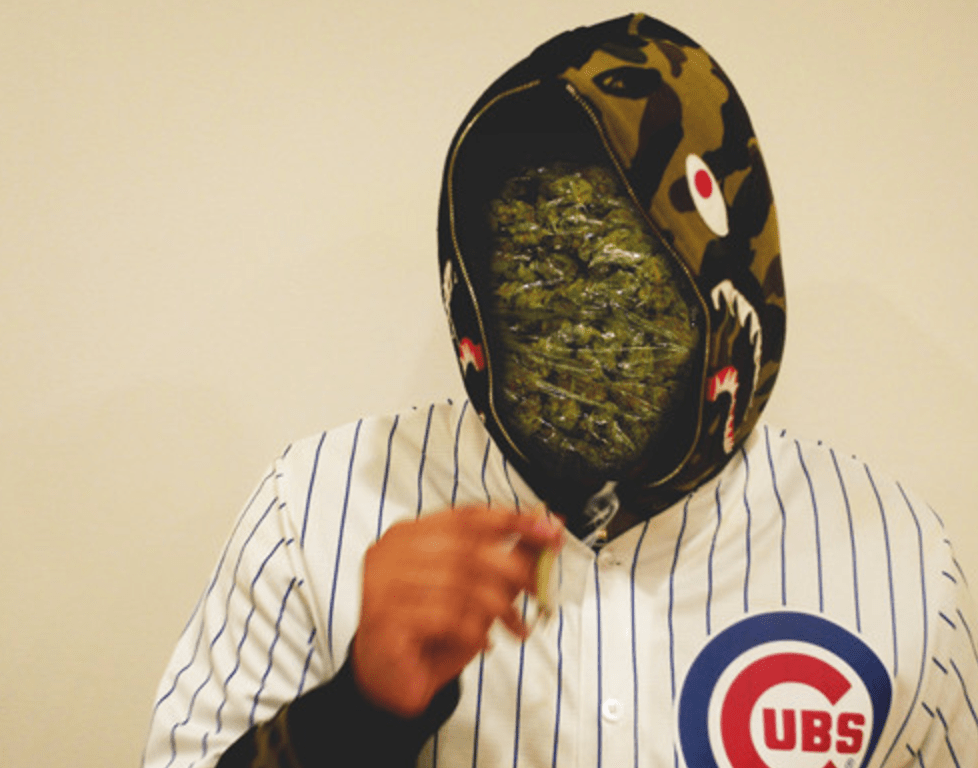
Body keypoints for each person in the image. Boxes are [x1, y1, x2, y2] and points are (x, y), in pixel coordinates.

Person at [141, 13, 978, 767]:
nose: (585, 331)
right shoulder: (318, 510)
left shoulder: (896, 562)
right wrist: (354, 717)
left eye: (634, 273)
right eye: (533, 265)